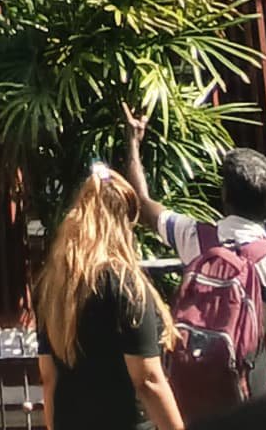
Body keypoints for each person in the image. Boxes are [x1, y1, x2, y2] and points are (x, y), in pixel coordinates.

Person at [120, 116, 266, 412]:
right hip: (254, 397)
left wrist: (133, 143)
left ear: (226, 196)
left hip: (198, 394)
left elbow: (141, 202)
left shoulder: (194, 236)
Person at [35, 168, 184, 430]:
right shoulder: (126, 284)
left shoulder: (54, 287)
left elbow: (48, 377)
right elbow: (147, 379)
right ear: (122, 222)